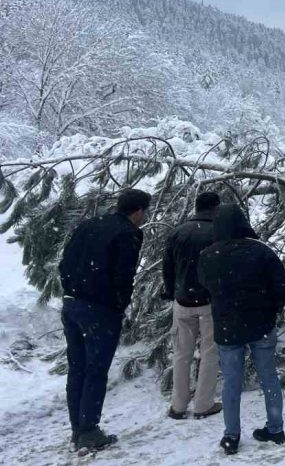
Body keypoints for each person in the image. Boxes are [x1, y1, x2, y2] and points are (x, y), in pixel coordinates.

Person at [58, 188, 152, 452]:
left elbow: (65, 263)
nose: (145, 217)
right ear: (138, 211)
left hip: (71, 303)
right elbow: (124, 276)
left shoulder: (88, 225)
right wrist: (118, 305)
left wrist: (71, 290)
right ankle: (89, 430)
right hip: (100, 309)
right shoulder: (128, 234)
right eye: (146, 212)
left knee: (77, 368)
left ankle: (78, 428)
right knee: (95, 370)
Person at [198, 203, 285, 455]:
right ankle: (275, 428)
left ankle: (231, 435)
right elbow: (281, 284)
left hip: (227, 328)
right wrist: (272, 310)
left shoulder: (208, 255)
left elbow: (205, 286)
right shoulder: (260, 252)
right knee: (269, 377)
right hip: (261, 325)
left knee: (231, 382)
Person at [162, 191, 222, 420]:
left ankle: (178, 405)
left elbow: (167, 268)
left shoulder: (178, 232)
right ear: (216, 208)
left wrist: (170, 292)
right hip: (209, 301)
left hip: (182, 300)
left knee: (181, 353)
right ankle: (203, 403)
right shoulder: (218, 233)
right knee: (209, 352)